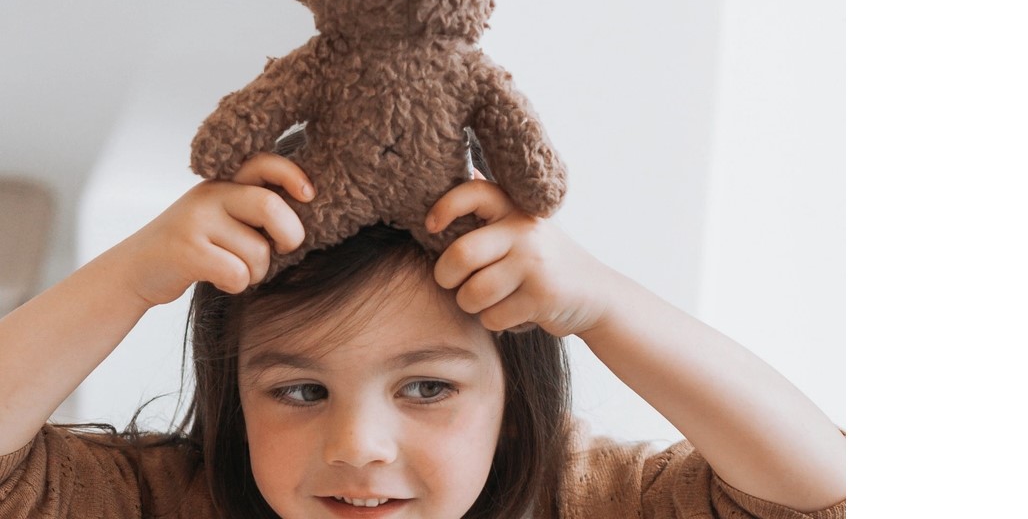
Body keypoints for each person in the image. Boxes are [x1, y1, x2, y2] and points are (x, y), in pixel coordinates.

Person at [0, 153, 845, 519]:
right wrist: (128, 277)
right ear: (234, 398)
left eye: (428, 389)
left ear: (516, 404)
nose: (359, 447)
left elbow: (825, 499)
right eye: (300, 391)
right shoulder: (168, 501)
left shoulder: (579, 499)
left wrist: (607, 305)